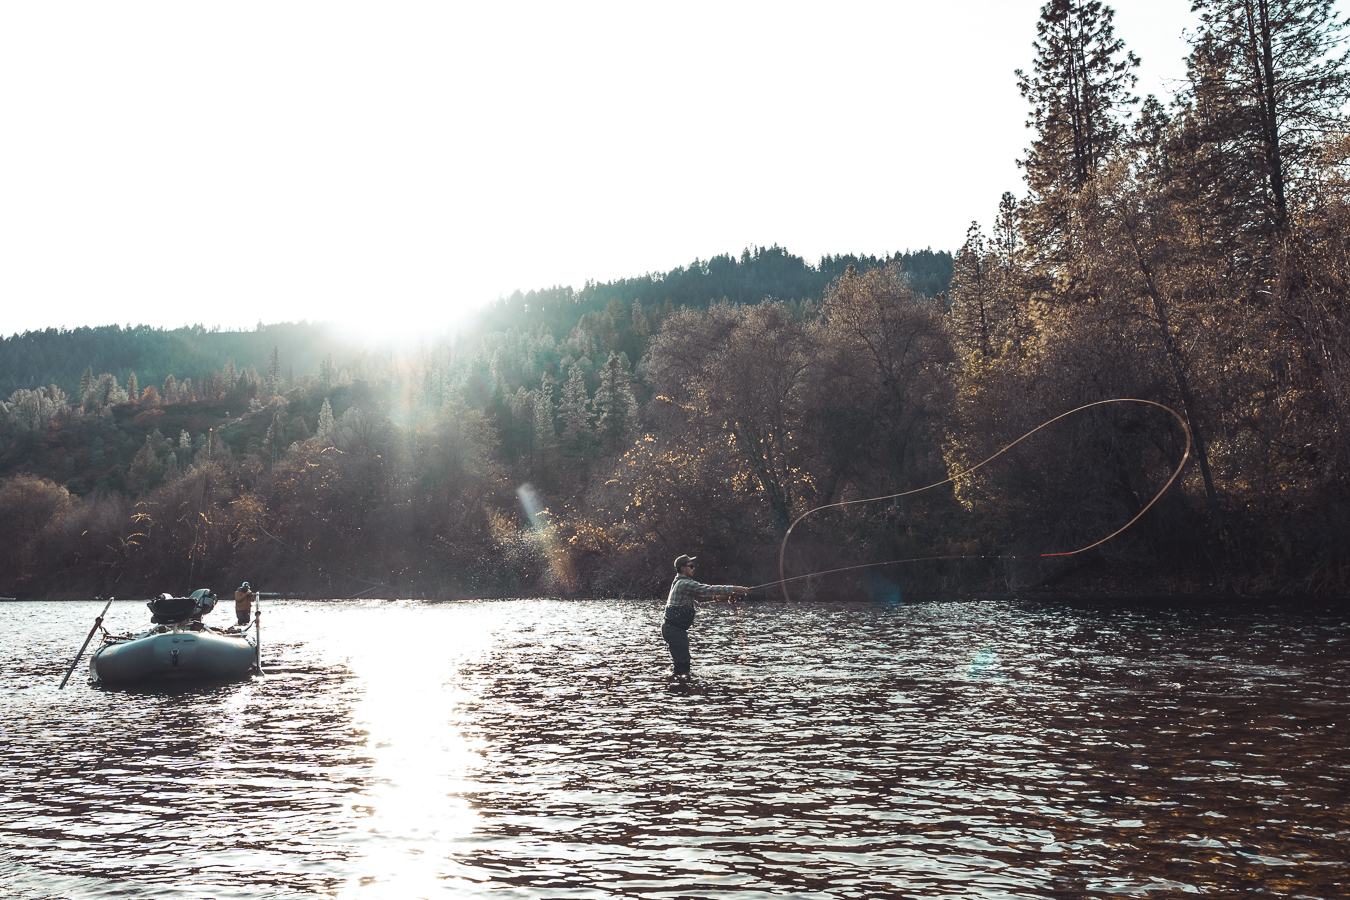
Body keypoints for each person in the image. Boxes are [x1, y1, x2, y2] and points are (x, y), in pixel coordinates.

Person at [662, 555, 749, 678]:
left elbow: (700, 597)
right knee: (682, 666)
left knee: (683, 664)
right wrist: (734, 589)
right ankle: (679, 691)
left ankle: (679, 688)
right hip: (674, 630)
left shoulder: (679, 582)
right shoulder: (684, 583)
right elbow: (707, 589)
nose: (694, 568)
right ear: (682, 569)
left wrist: (722, 597)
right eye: (691, 566)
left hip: (673, 629)